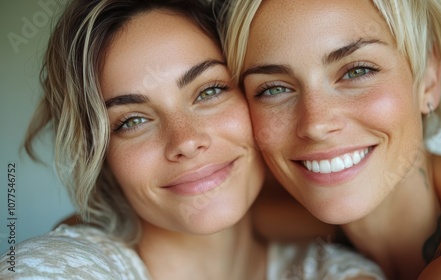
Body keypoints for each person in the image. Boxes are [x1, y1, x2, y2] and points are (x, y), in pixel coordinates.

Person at [0, 0, 386, 279]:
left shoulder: (336, 270)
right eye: (132, 120)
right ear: (100, 155)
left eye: (208, 92)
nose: (184, 140)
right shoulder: (56, 267)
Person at [217, 0, 441, 279]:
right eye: (275, 89)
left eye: (357, 71)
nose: (316, 124)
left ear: (428, 78)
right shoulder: (261, 212)